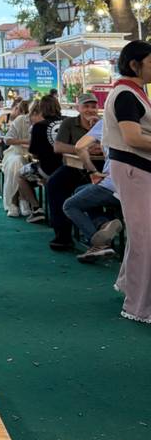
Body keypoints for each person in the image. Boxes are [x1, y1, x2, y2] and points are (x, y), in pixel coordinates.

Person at [102, 40, 151, 324]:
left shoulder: (134, 92)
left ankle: (132, 291)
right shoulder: (125, 94)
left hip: (137, 170)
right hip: (134, 170)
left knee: (142, 236)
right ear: (135, 64)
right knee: (145, 238)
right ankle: (139, 306)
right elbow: (132, 137)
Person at [63, 119, 122, 263]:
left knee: (70, 205)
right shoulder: (143, 122)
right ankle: (103, 224)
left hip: (114, 185)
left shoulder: (106, 122)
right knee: (81, 190)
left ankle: (97, 244)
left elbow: (79, 147)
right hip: (139, 185)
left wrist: (92, 171)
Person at [46, 93, 99, 251]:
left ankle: (98, 229)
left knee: (94, 189)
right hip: (74, 167)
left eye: (93, 106)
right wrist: (81, 149)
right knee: (54, 184)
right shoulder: (69, 123)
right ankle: (62, 235)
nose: (90, 110)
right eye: (86, 106)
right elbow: (58, 147)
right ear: (78, 108)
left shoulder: (103, 124)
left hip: (100, 167)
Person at [19, 94, 63, 224]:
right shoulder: (68, 121)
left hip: (47, 169)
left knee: (21, 175)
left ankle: (36, 209)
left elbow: (34, 154)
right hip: (69, 168)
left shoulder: (38, 126)